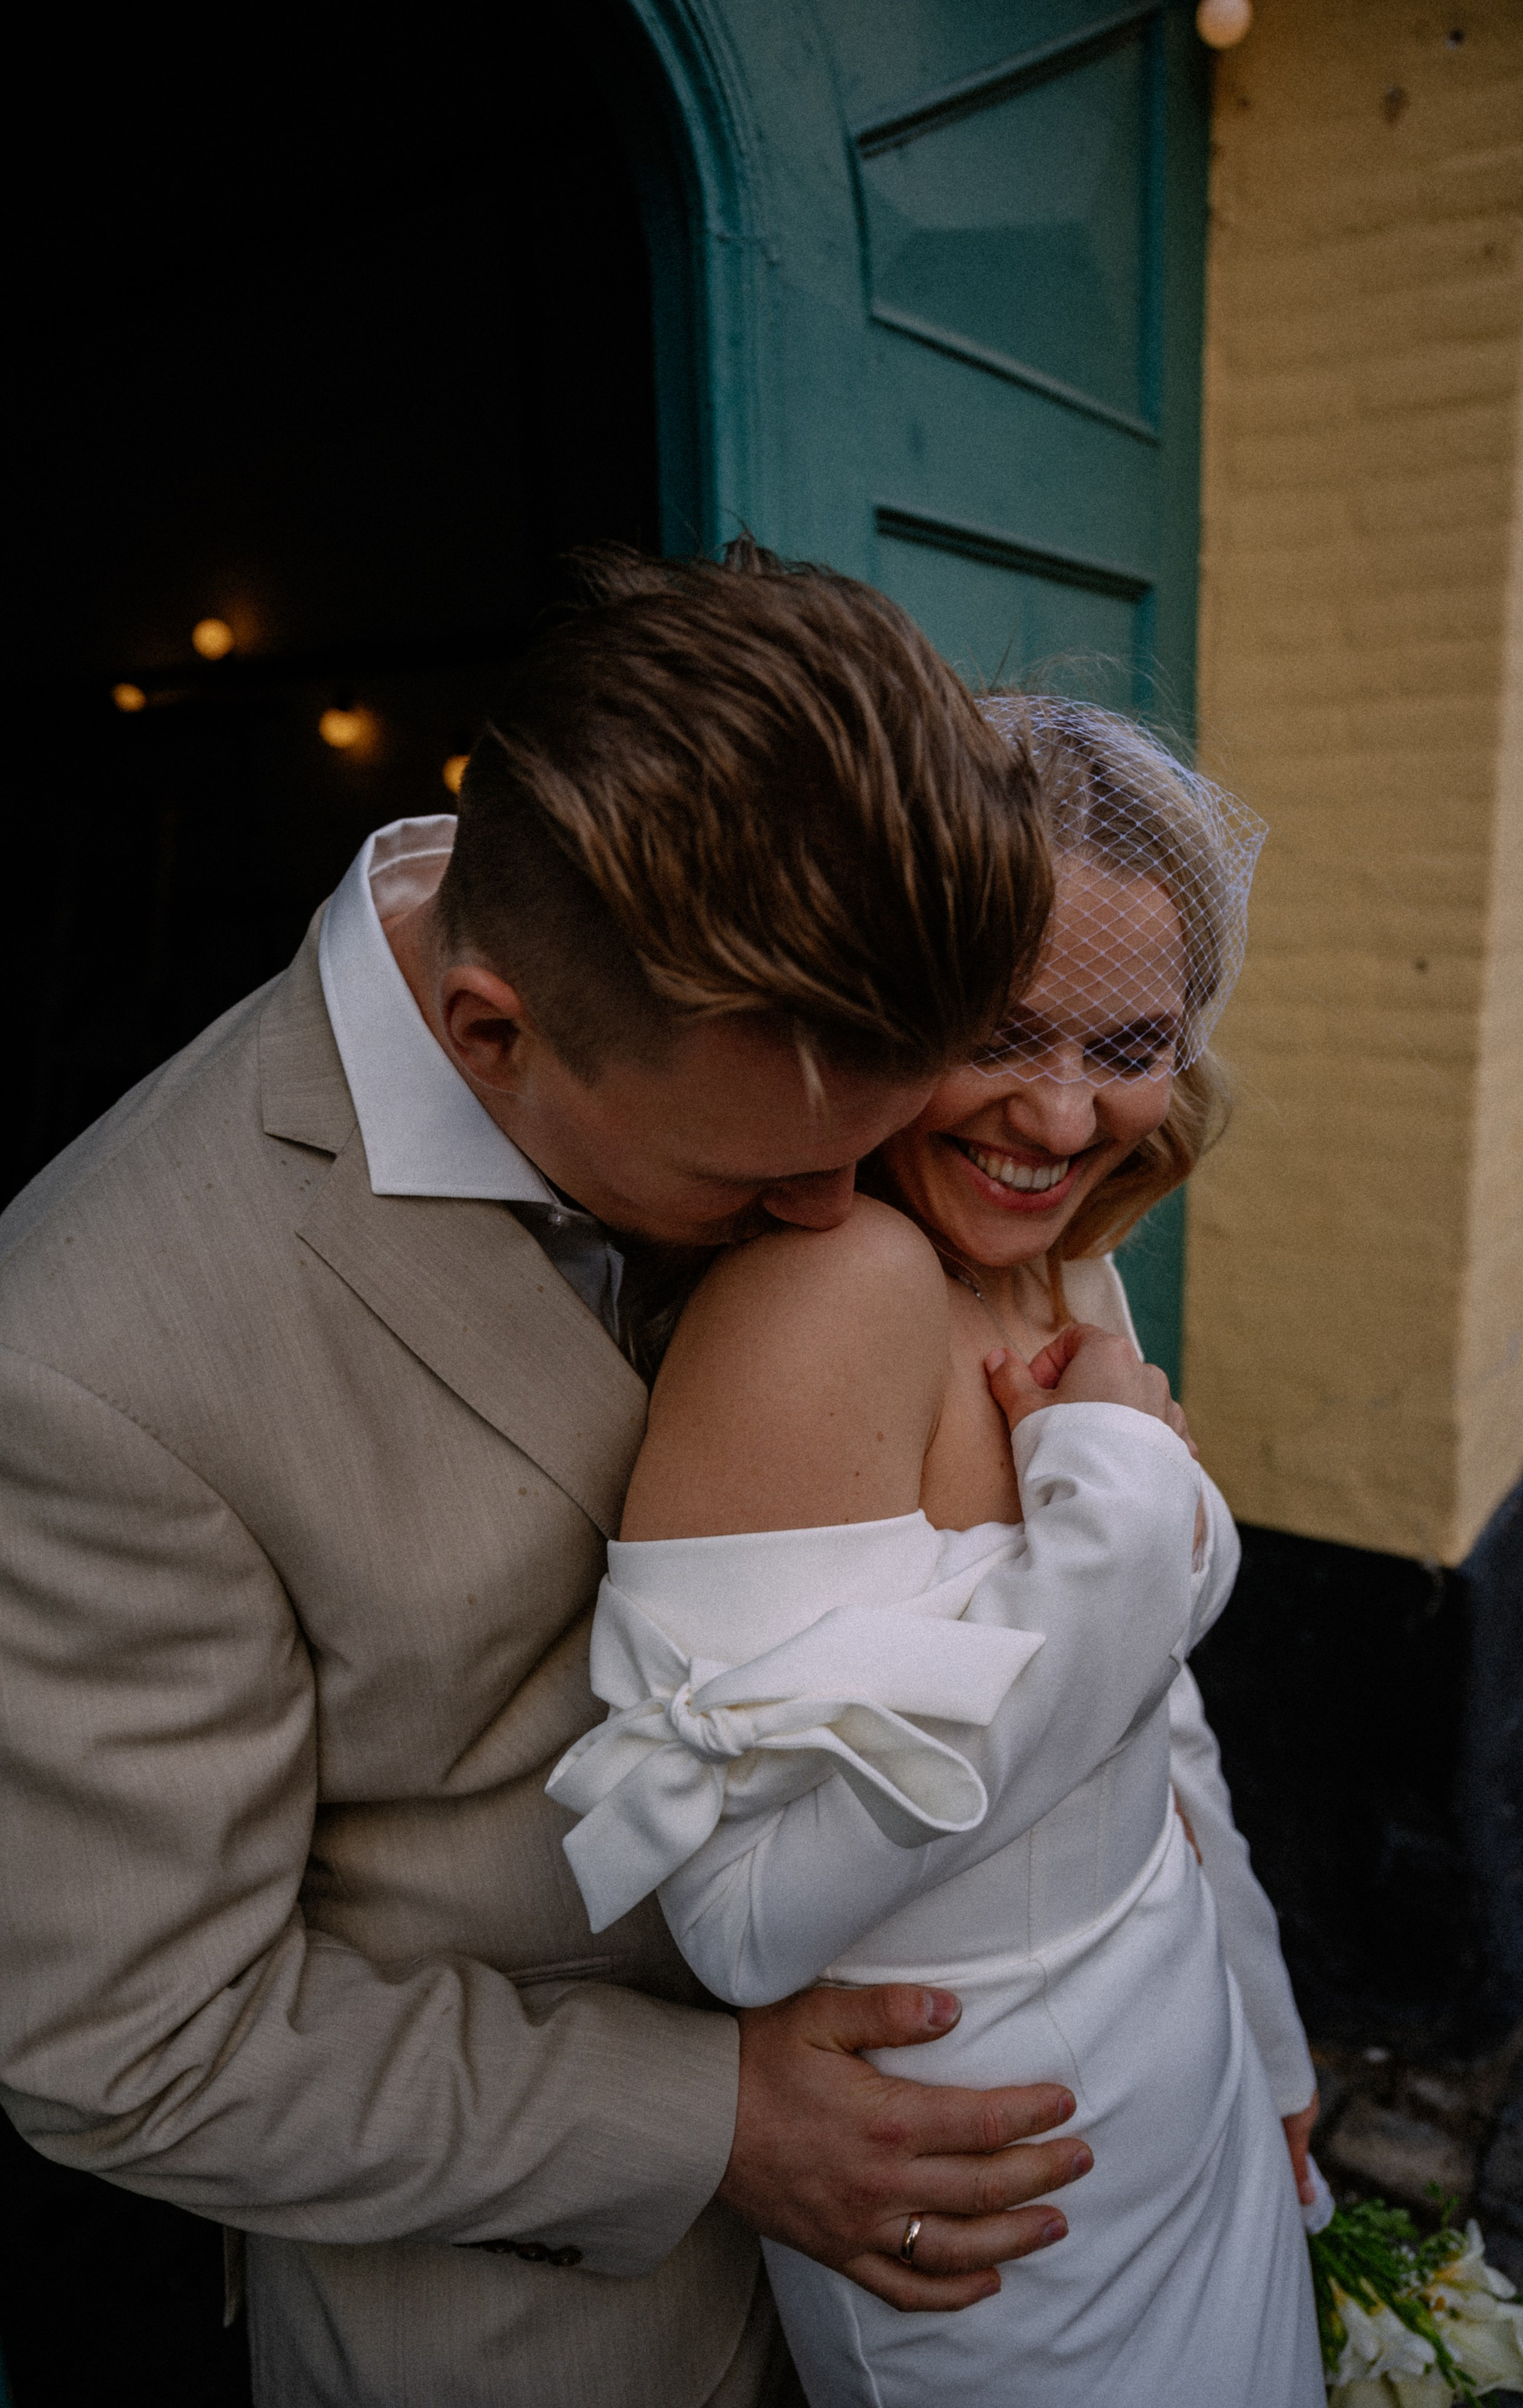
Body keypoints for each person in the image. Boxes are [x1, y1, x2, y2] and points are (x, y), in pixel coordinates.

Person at [0, 553, 1208, 2408]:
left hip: (995, 2273)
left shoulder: (868, 1065)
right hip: (549, 2324)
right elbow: (127, 2036)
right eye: (757, 1192)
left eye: (869, 1153)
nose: (838, 1229)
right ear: (493, 1032)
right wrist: (712, 2122)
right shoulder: (89, 1356)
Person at [549, 699, 1326, 2404]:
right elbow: (741, 1923)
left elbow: (1156, 1725)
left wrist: (1267, 2043)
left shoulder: (1059, 1257)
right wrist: (1120, 1512)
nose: (1059, 1120)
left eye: (1128, 1047)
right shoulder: (831, 1300)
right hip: (993, 2191)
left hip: (1176, 2068)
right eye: (1003, 1029)